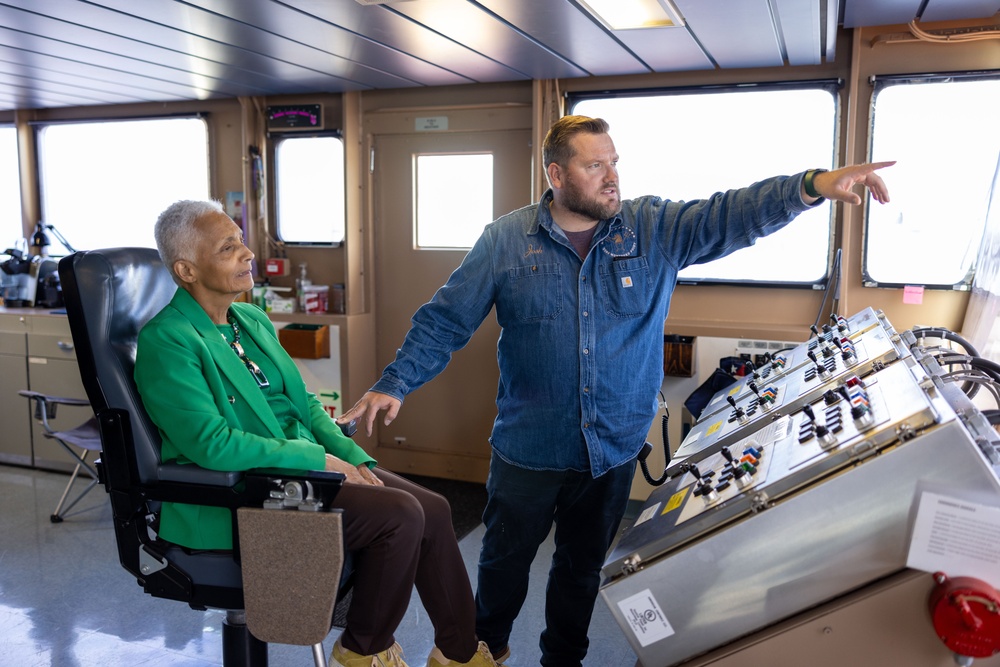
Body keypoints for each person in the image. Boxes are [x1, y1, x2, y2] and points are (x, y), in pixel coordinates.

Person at [337, 114, 894, 666]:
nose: (612, 177)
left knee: (580, 571)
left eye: (615, 163)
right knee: (502, 566)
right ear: (556, 174)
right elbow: (444, 320)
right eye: (595, 164)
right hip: (529, 446)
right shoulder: (505, 241)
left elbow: (731, 213)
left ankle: (564, 661)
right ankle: (488, 652)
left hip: (613, 448)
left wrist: (811, 186)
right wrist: (397, 381)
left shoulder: (653, 227)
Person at [134, 200, 499, 667]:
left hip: (299, 470)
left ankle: (459, 654)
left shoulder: (252, 320)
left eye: (241, 240)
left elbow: (305, 405)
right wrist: (319, 461)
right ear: (186, 269)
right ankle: (363, 651)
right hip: (250, 487)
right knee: (402, 515)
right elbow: (212, 444)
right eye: (229, 248)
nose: (247, 253)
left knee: (434, 507)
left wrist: (357, 460)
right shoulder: (168, 340)